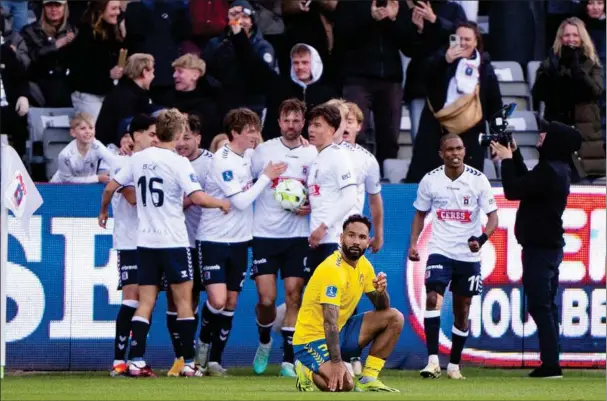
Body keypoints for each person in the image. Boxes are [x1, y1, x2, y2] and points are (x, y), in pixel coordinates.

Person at [98, 108, 230, 378]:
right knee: (183, 302)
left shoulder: (138, 159)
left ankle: (135, 360)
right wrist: (221, 203)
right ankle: (190, 363)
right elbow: (199, 197)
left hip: (145, 243)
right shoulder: (179, 162)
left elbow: (111, 186)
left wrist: (103, 211)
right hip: (173, 242)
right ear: (180, 133)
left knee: (144, 303)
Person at [195, 108, 287, 376]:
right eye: (249, 131)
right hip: (213, 238)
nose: (255, 136)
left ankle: (215, 360)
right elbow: (241, 201)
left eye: (256, 130)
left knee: (232, 303)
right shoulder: (223, 160)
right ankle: (201, 346)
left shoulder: (248, 155)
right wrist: (266, 177)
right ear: (234, 133)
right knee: (218, 299)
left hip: (240, 241)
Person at [490, 121, 582, 378]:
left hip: (541, 249)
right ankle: (551, 359)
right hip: (545, 247)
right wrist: (515, 154)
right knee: (546, 305)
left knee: (541, 306)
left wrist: (507, 160)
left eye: (546, 134)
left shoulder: (551, 171)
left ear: (555, 141)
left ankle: (551, 364)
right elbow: (527, 183)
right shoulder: (554, 168)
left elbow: (513, 190)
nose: (540, 136)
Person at [408, 133, 499, 380]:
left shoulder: (478, 180)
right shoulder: (430, 180)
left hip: (468, 255)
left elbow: (493, 217)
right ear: (441, 153)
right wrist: (413, 243)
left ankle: (454, 365)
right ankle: (432, 361)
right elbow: (419, 214)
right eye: (449, 149)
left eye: (459, 148)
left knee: (463, 309)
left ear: (464, 150)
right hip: (440, 248)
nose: (455, 153)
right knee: (432, 297)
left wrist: (480, 240)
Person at [293, 214, 403, 393]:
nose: (356, 241)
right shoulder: (332, 270)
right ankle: (306, 370)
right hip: (311, 339)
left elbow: (383, 308)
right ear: (341, 238)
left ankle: (369, 378)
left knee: (394, 317)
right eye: (351, 235)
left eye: (362, 237)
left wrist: (381, 293)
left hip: (341, 331)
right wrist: (336, 363)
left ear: (368, 242)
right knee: (345, 385)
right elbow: (329, 322)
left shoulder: (364, 265)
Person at [249, 99, 317, 377]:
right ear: (278, 122)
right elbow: (247, 184)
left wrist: (310, 203)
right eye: (286, 120)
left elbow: (319, 188)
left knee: (294, 295)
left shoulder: (313, 154)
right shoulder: (263, 151)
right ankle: (265, 340)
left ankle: (288, 360)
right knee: (267, 300)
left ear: (304, 122)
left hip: (297, 236)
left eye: (296, 121)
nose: (291, 125)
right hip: (265, 234)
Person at [164, 114, 214, 377]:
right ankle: (181, 357)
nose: (181, 143)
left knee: (209, 300)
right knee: (175, 299)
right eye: (178, 137)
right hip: (173, 241)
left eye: (187, 137)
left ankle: (202, 355)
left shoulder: (210, 163)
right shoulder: (169, 161)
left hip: (202, 241)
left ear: (198, 138)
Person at [109, 114, 158, 377]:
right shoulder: (123, 163)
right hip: (130, 240)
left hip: (152, 240)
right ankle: (119, 360)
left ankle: (136, 358)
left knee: (146, 300)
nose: (155, 138)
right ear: (134, 136)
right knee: (131, 297)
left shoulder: (154, 163)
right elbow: (131, 198)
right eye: (151, 133)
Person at [532, 17, 605, 180]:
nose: (571, 39)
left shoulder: (592, 64)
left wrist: (577, 69)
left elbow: (596, 92)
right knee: (553, 183)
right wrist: (551, 71)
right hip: (556, 132)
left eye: (575, 35)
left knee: (581, 185)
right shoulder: (550, 62)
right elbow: (537, 93)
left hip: (584, 135)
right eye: (567, 35)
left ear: (582, 38)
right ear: (560, 38)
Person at [306, 103, 357, 272]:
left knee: (331, 296)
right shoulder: (318, 157)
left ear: (332, 130)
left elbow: (350, 197)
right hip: (318, 239)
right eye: (311, 124)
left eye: (317, 125)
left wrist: (323, 227)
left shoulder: (338, 156)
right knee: (314, 297)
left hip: (333, 239)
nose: (311, 129)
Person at [50, 112, 117, 183]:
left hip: (85, 186)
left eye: (91, 128)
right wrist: (97, 178)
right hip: (60, 187)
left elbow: (114, 161)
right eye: (83, 128)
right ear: (73, 132)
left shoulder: (97, 146)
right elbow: (67, 180)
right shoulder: (65, 155)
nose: (88, 131)